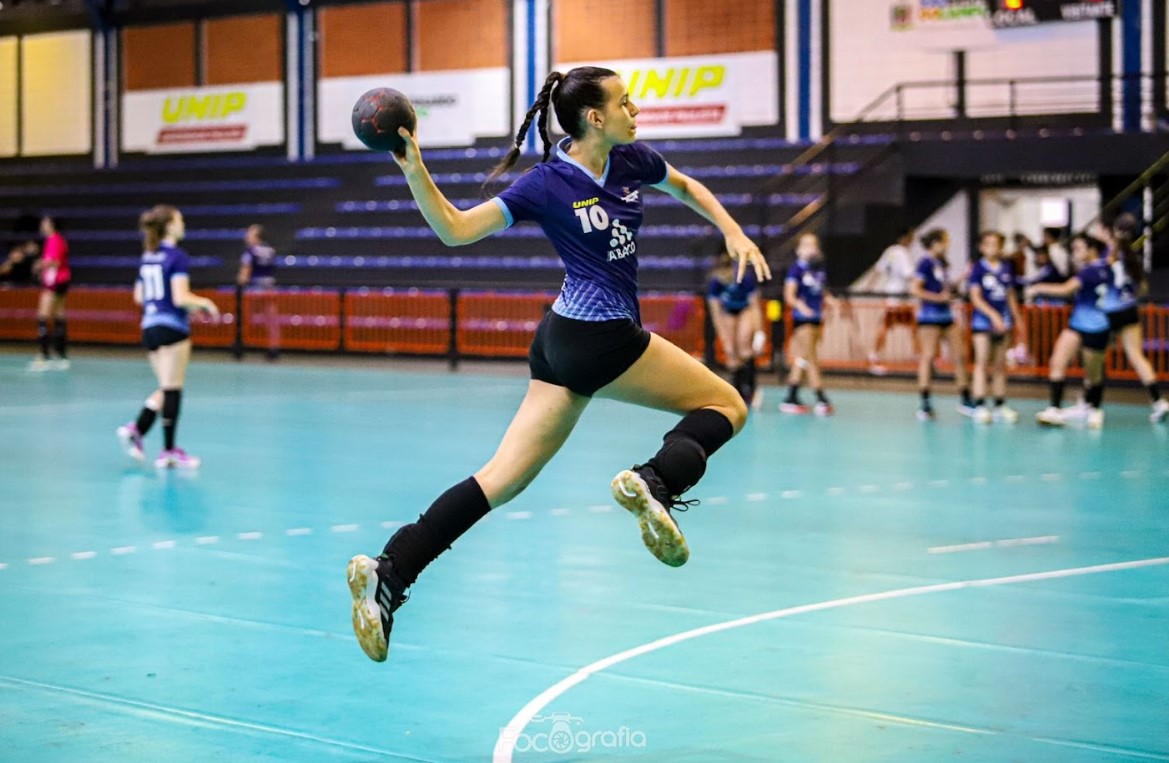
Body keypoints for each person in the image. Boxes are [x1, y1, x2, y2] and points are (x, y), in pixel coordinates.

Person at [345, 67, 770, 663]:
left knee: (502, 478)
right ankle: (656, 481)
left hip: (560, 340)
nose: (635, 110)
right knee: (727, 404)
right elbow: (456, 231)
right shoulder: (546, 184)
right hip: (599, 338)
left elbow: (685, 186)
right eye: (625, 103)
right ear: (595, 117)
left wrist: (732, 232)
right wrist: (415, 169)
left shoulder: (631, 160)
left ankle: (390, 571)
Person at [115, 206, 219, 469]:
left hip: (149, 327)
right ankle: (168, 451)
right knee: (173, 389)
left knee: (165, 386)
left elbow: (139, 296)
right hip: (172, 327)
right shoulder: (177, 256)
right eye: (180, 220)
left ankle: (137, 430)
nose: (183, 224)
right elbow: (180, 297)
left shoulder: (148, 256)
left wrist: (180, 308)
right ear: (170, 225)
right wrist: (205, 303)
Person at [1028, 234, 1110, 429]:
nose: (1075, 253)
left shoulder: (1092, 270)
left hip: (1097, 327)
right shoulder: (1105, 267)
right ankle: (1054, 409)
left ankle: (1094, 409)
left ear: (1092, 249)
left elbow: (1066, 289)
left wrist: (1038, 287)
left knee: (1093, 372)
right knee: (1057, 361)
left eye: (1078, 248)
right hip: (1077, 325)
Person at [1096, 213, 1169, 423]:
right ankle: (1158, 402)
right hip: (1129, 309)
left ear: (1108, 231)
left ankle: (1092, 405)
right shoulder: (1131, 254)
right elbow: (1142, 287)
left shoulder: (1109, 254)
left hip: (1110, 312)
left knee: (1095, 356)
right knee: (1136, 355)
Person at [909, 228, 973, 420]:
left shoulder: (941, 264)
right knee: (928, 357)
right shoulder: (925, 263)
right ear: (935, 243)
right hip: (929, 318)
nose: (947, 246)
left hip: (947, 316)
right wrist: (938, 298)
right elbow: (915, 289)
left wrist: (963, 276)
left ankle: (965, 398)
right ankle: (925, 403)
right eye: (945, 242)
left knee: (960, 355)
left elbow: (946, 289)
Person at [780, 232, 838, 416]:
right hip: (802, 318)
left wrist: (829, 299)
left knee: (803, 356)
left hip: (817, 317)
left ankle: (791, 395)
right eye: (806, 245)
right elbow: (789, 296)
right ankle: (820, 396)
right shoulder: (796, 270)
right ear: (798, 249)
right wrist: (801, 306)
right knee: (810, 355)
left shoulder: (818, 269)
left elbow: (820, 290)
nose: (811, 248)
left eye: (814, 244)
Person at [968, 230, 1020, 424]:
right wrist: (993, 315)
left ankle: (999, 404)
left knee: (1000, 364)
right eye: (988, 244)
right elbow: (975, 297)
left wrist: (1017, 319)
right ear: (982, 247)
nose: (992, 248)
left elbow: (1010, 295)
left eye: (996, 244)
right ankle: (979, 405)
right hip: (982, 322)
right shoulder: (977, 268)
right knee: (982, 361)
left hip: (1004, 322)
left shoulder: (1006, 268)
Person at [707, 245, 765, 407]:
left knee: (745, 346)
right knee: (731, 351)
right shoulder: (716, 282)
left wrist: (759, 332)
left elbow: (755, 306)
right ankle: (737, 390)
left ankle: (751, 388)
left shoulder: (745, 278)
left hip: (745, 309)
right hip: (728, 312)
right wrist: (724, 337)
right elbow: (716, 312)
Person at [868, 228, 918, 375]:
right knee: (889, 325)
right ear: (905, 238)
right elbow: (909, 274)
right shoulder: (902, 253)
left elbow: (878, 269)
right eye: (911, 238)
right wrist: (924, 286)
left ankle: (921, 356)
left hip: (893, 295)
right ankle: (874, 355)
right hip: (898, 297)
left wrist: (869, 287)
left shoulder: (890, 251)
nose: (912, 241)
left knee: (911, 326)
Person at [28, 216, 71, 371]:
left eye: (45, 223)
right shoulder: (55, 240)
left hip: (55, 282)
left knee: (43, 317)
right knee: (59, 315)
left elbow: (55, 262)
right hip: (61, 280)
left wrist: (39, 264)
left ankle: (44, 356)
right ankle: (61, 356)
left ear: (51, 225)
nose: (42, 225)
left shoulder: (54, 240)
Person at [236, 224, 280, 360]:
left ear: (257, 237)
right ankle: (274, 348)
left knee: (245, 318)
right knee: (271, 320)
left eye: (249, 234)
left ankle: (240, 346)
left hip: (253, 291)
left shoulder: (250, 251)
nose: (246, 237)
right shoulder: (271, 250)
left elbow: (245, 271)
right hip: (270, 290)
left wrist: (240, 284)